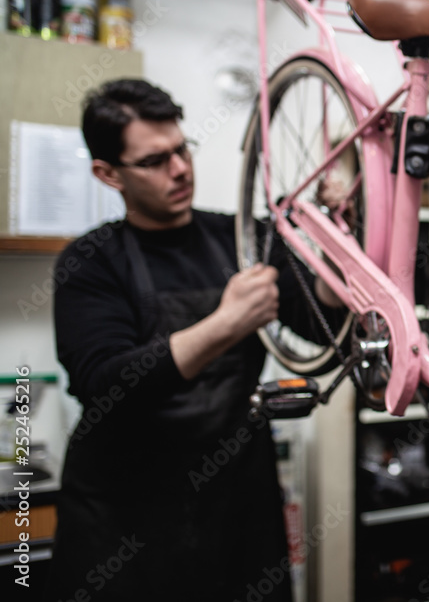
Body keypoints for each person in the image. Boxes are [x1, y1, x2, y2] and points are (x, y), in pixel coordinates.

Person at [46, 79, 338, 600]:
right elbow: (104, 382)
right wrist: (227, 323)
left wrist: (339, 248)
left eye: (182, 149)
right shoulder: (90, 262)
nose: (180, 169)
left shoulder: (245, 238)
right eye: (155, 160)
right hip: (125, 524)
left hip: (237, 507)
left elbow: (321, 326)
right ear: (107, 173)